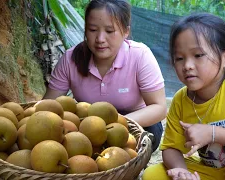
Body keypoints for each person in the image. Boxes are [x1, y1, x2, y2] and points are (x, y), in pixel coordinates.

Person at [142, 13, 225, 180]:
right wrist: (183, 172)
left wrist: (213, 133)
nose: (187, 66)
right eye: (179, 58)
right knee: (153, 174)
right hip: (212, 172)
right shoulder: (181, 99)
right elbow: (170, 148)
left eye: (198, 55)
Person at [43, 0, 167, 152]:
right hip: (88, 127)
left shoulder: (140, 55)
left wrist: (119, 124)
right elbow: (47, 107)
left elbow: (159, 108)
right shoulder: (70, 60)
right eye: (93, 29)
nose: (100, 39)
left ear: (125, 31)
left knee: (150, 133)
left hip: (135, 123)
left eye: (109, 31)